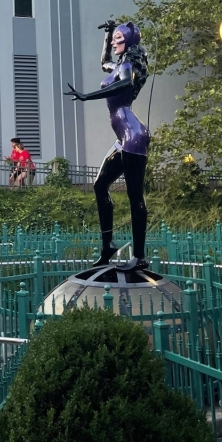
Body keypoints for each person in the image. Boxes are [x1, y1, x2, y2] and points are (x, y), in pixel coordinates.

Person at [66, 20, 150, 270]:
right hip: (122, 138)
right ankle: (108, 246)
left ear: (130, 42)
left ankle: (139, 256)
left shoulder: (127, 67)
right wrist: (106, 35)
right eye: (114, 40)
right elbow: (104, 62)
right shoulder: (117, 64)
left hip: (133, 136)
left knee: (135, 196)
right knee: (100, 185)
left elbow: (124, 84)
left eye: (118, 39)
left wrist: (86, 96)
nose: (115, 43)